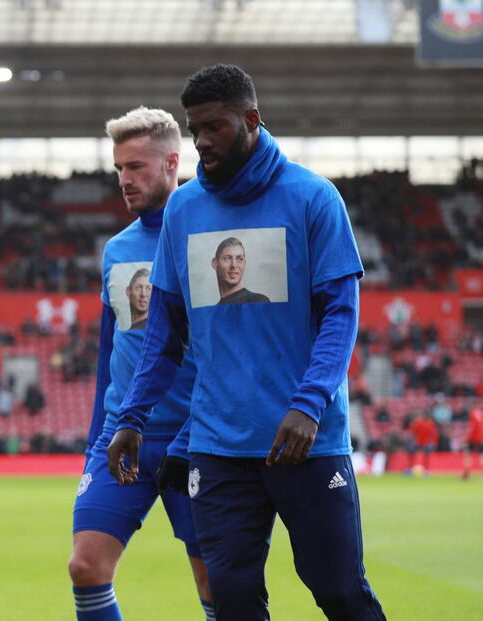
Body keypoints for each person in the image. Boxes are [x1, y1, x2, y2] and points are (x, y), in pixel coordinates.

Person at [107, 65, 386, 620]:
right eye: (195, 130)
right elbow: (164, 330)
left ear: (252, 120)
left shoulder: (313, 198)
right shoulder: (184, 211)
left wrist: (309, 404)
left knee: (338, 591)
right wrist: (132, 417)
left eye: (216, 127)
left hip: (305, 442)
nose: (203, 142)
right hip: (218, 448)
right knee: (232, 598)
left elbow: (340, 314)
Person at [69, 107, 213, 621]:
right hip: (122, 435)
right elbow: (111, 353)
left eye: (136, 167)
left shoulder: (205, 239)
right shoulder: (117, 249)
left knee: (212, 582)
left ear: (173, 162)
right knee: (86, 567)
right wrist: (95, 439)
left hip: (194, 441)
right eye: (119, 169)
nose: (124, 180)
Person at [211, 237, 270, 304]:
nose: (234, 265)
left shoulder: (258, 301)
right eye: (227, 258)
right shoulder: (214, 311)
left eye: (240, 259)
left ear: (244, 264)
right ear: (215, 263)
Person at [462, 403, 482, 480]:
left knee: (467, 455)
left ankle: (467, 474)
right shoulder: (479, 413)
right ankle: (467, 474)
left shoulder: (473, 414)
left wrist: (467, 438)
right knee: (481, 456)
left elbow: (473, 428)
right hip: (481, 437)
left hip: (474, 438)